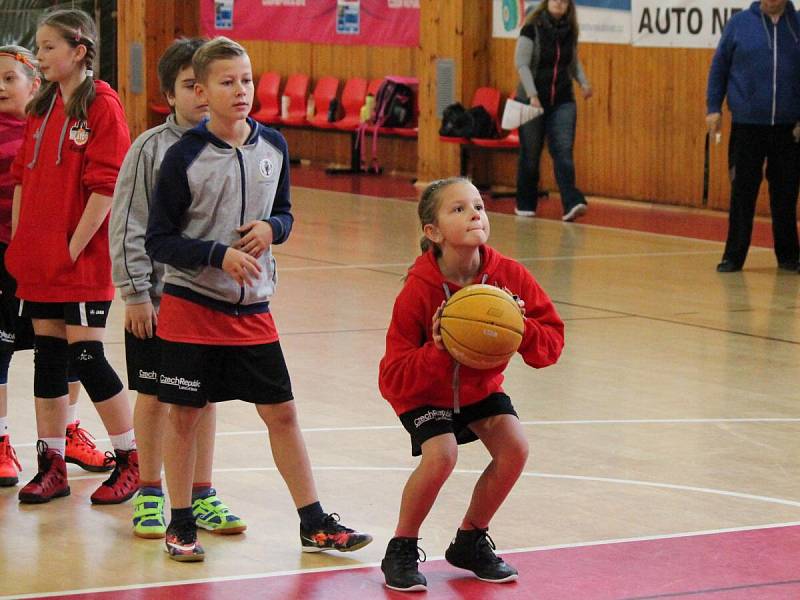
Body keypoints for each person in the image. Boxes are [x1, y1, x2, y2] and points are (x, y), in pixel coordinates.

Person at [145, 36, 372, 562]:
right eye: (227, 82)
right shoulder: (183, 157)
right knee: (184, 416)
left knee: (283, 415)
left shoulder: (273, 146)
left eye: (246, 79)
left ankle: (314, 522)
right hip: (192, 307)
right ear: (201, 91)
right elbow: (159, 240)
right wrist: (215, 254)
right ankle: (181, 524)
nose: (241, 90)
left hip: (252, 311)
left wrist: (273, 228)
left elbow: (287, 214)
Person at [377, 177, 565, 592]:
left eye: (478, 206)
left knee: (514, 448)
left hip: (480, 387)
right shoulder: (417, 290)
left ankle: (469, 540)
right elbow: (391, 377)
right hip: (424, 389)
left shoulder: (509, 275)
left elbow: (550, 345)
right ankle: (402, 547)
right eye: (458, 209)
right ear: (434, 232)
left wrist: (521, 327)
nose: (475, 214)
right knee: (441, 455)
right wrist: (439, 349)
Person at [110, 37, 245, 539]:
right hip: (159, 301)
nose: (203, 96)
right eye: (190, 86)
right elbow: (128, 224)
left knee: (202, 398)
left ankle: (202, 493)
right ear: (170, 94)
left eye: (205, 84)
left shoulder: (235, 145)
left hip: (209, 302)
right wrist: (136, 292)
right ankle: (149, 491)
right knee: (153, 394)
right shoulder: (151, 148)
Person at [6, 9, 138, 504]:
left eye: (48, 48)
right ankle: (52, 464)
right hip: (39, 261)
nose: (39, 57)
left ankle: (131, 458)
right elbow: (22, 178)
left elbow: (106, 188)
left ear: (79, 50)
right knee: (48, 358)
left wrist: (71, 249)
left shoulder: (101, 105)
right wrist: (23, 242)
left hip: (80, 262)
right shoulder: (41, 107)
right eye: (37, 48)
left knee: (87, 355)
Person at [0, 46, 109, 487]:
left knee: (66, 349)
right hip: (7, 254)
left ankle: (67, 429)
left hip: (50, 257)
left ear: (35, 84)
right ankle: (1, 441)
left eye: (9, 78)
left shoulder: (53, 123)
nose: (0, 86)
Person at [706, 0, 800, 273]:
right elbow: (719, 67)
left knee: (786, 193)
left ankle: (789, 256)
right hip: (747, 125)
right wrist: (713, 107)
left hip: (788, 128)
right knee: (743, 192)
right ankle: (733, 255)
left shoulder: (796, 26)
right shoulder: (739, 25)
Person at [514, 0, 592, 222]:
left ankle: (571, 202)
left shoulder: (569, 30)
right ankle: (525, 204)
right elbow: (521, 63)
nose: (559, 2)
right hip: (532, 99)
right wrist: (532, 94)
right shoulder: (532, 28)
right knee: (530, 155)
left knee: (563, 151)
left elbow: (573, 62)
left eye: (564, 0)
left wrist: (584, 83)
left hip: (562, 100)